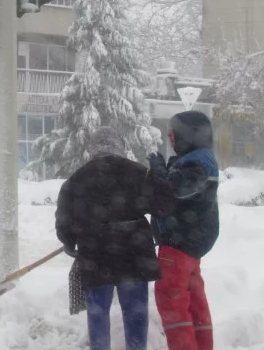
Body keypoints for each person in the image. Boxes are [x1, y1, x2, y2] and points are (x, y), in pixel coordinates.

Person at [56, 126, 171, 350]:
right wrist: (160, 180)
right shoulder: (137, 172)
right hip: (134, 252)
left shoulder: (77, 178)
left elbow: (64, 220)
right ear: (121, 147)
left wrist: (70, 243)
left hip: (95, 254)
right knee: (135, 311)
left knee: (98, 312)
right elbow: (163, 206)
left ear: (92, 149)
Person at [148, 110, 220, 350]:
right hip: (191, 247)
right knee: (194, 304)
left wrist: (158, 169)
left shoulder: (196, 162)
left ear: (188, 135)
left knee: (173, 304)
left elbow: (173, 190)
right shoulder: (202, 157)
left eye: (173, 135)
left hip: (179, 245)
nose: (170, 140)